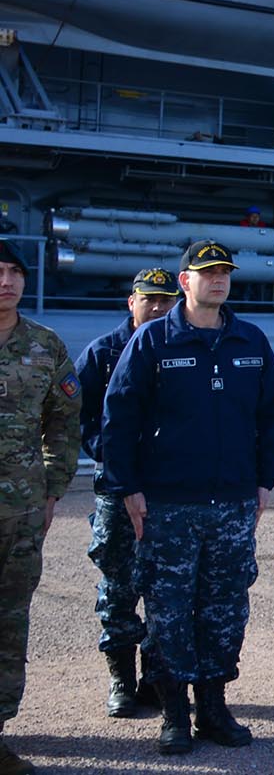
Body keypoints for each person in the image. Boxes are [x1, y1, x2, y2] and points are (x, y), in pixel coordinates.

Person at [99, 240, 274, 755]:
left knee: (224, 609)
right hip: (169, 503)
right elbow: (120, 417)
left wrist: (264, 480)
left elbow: (270, 418)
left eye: (224, 272)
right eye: (207, 273)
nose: (218, 280)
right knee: (169, 610)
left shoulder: (250, 341)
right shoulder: (154, 341)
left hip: (231, 502)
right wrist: (128, 486)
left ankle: (214, 709)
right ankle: (175, 715)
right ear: (186, 282)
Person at [75, 268, 178, 718]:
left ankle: (157, 680)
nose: (157, 307)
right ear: (130, 302)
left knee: (166, 586)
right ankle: (121, 677)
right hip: (117, 487)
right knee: (118, 583)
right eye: (149, 299)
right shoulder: (102, 354)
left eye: (165, 300)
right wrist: (119, 459)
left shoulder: (181, 348)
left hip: (168, 487)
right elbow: (80, 419)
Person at [0, 239, 82, 770]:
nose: (6, 281)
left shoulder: (45, 346)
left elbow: (65, 420)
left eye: (14, 273)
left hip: (21, 511)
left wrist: (53, 487)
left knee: (9, 624)